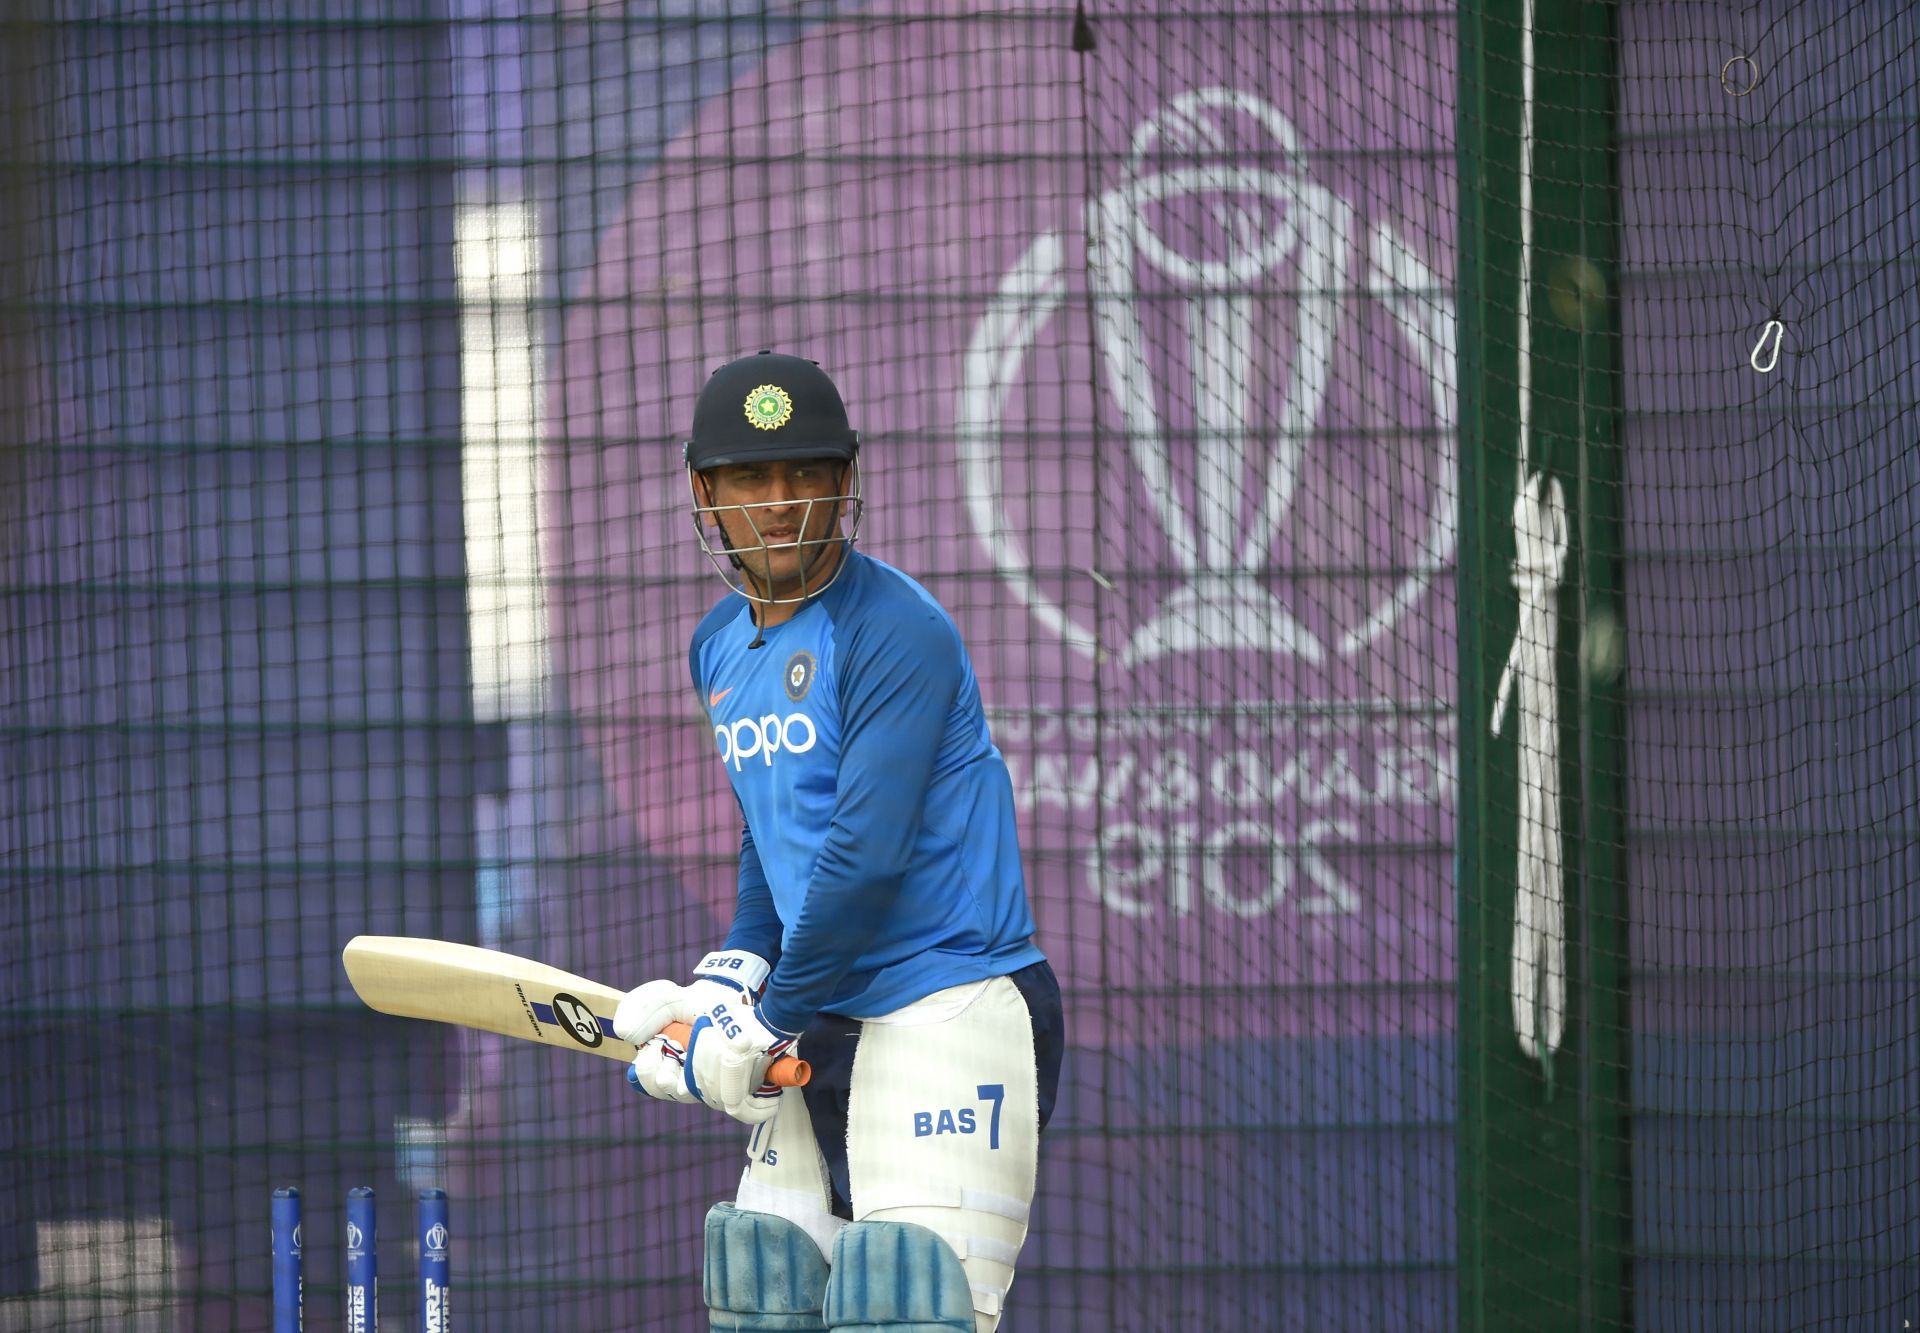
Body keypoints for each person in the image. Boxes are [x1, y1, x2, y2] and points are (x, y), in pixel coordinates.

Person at [614, 352, 1064, 1333]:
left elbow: (861, 861)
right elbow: (772, 832)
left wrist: (763, 1021)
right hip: (822, 1008)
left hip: (948, 998)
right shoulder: (718, 643)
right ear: (705, 491)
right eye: (749, 478)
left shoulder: (897, 630)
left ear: (846, 481)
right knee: (764, 1289)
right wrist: (730, 977)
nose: (780, 503)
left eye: (805, 473)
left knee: (904, 1303)